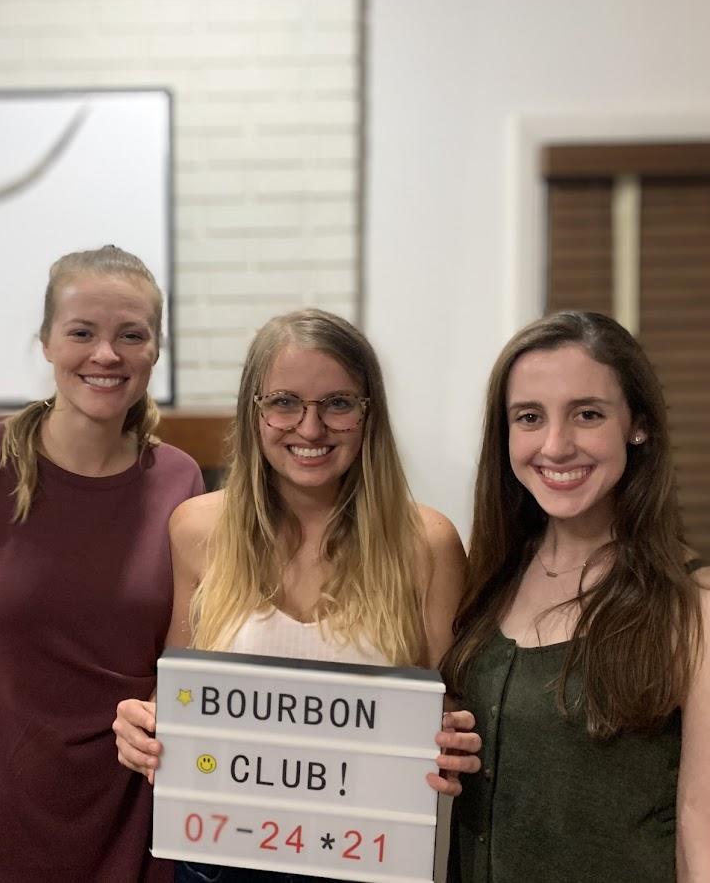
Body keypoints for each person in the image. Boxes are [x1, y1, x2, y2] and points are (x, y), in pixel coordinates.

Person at [0, 245, 205, 883]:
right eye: (82, 332)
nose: (106, 355)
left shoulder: (180, 482)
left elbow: (180, 673)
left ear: (155, 350)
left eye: (130, 335)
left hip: (129, 825)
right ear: (48, 342)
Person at [113, 309, 482, 883]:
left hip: (373, 862)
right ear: (253, 411)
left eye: (337, 404)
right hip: (224, 861)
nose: (310, 429)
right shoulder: (197, 530)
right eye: (285, 402)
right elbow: (181, 694)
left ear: (369, 413)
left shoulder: (426, 543)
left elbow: (449, 705)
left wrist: (454, 742)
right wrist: (145, 727)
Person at [443, 311, 710, 883]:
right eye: (529, 417)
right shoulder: (483, 585)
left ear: (637, 426)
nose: (555, 445)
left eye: (587, 414)